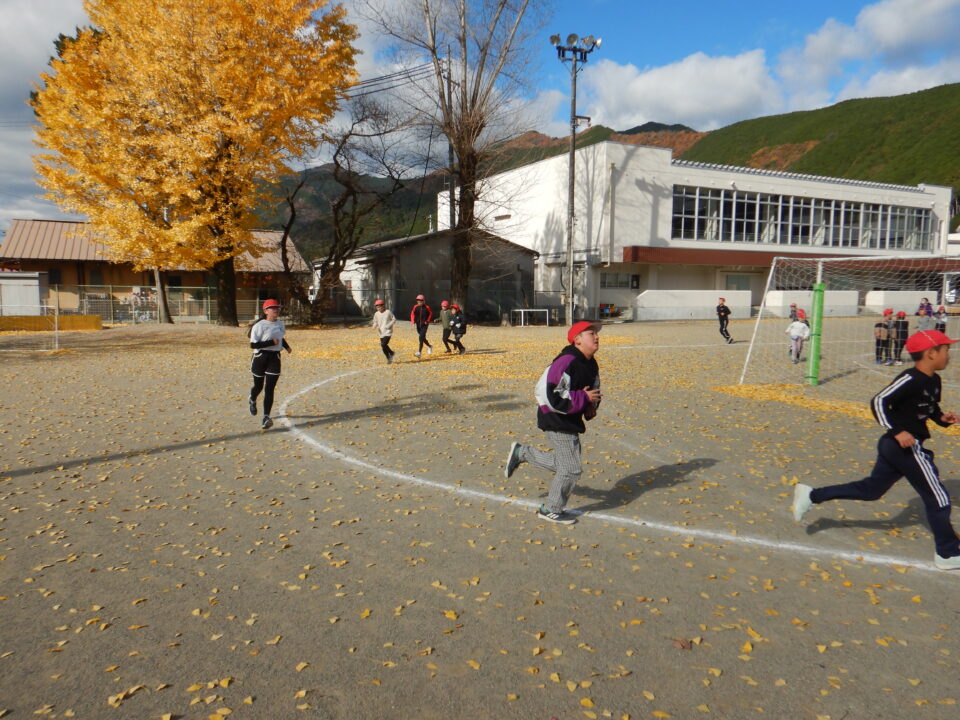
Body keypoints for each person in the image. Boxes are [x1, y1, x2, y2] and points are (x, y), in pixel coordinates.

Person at [792, 329, 960, 571]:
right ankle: (947, 552)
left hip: (898, 448)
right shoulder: (909, 378)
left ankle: (811, 495)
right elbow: (879, 401)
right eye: (946, 350)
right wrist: (897, 431)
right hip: (904, 447)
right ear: (931, 353)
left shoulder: (934, 380)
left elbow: (928, 408)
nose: (949, 355)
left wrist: (942, 418)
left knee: (871, 490)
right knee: (939, 498)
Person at [503, 321, 602, 524]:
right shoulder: (566, 361)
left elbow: (594, 389)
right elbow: (551, 394)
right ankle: (550, 509)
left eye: (596, 333)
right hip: (555, 415)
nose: (597, 337)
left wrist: (590, 406)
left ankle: (522, 453)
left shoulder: (591, 363)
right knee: (571, 468)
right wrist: (582, 398)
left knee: (565, 463)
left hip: (569, 416)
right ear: (577, 340)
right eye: (591, 333)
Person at [247, 299, 291, 430]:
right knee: (258, 386)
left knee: (269, 389)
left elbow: (280, 338)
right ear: (266, 311)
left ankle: (266, 417)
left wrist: (287, 347)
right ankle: (252, 398)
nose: (276, 310)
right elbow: (253, 345)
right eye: (273, 308)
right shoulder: (259, 326)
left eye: (277, 307)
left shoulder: (280, 324)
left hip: (274, 358)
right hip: (260, 358)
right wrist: (271, 342)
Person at [372, 299, 396, 364]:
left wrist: (388, 325)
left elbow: (394, 319)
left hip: (388, 331)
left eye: (380, 307)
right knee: (383, 347)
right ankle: (389, 358)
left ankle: (391, 353)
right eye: (377, 307)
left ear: (383, 306)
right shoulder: (376, 314)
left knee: (383, 344)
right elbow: (375, 321)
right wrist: (374, 326)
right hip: (381, 332)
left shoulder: (388, 312)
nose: (379, 308)